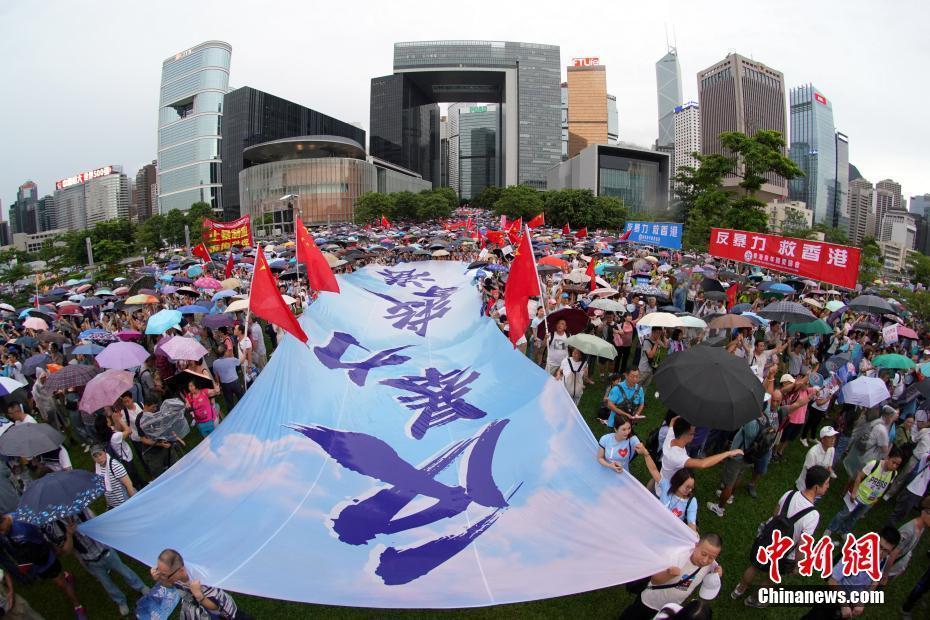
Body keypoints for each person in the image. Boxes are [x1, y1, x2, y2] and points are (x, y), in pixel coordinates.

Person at [732, 466, 831, 608]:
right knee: (772, 577)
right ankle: (754, 600)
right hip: (786, 553)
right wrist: (798, 565)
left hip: (768, 539)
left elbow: (775, 514)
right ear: (816, 487)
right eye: (827, 483)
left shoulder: (790, 494)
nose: (828, 486)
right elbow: (802, 546)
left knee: (754, 566)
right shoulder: (813, 515)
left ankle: (739, 590)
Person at [43, 511, 149, 617]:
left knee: (125, 571)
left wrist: (82, 526)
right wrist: (69, 534)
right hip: (90, 560)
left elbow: (99, 524)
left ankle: (141, 587)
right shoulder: (57, 525)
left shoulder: (81, 510)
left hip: (105, 550)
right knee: (107, 584)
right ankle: (120, 601)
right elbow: (67, 551)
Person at [800, 526, 900, 620]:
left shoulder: (883, 559)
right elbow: (832, 581)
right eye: (879, 546)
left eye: (886, 551)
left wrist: (862, 602)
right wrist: (844, 605)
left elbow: (875, 581)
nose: (880, 553)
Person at [618, 532, 723, 620]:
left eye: (711, 557)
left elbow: (715, 566)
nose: (705, 560)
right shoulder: (677, 557)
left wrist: (718, 571)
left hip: (671, 606)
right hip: (649, 602)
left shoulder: (710, 564)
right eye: (703, 554)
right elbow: (655, 581)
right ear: (696, 546)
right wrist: (669, 574)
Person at [0, 514, 86, 619]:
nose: (2, 533)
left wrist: (55, 549)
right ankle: (66, 575)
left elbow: (44, 539)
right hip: (35, 563)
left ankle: (78, 606)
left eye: (1, 529)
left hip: (46, 559)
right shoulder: (6, 531)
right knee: (59, 578)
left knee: (60, 583)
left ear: (4, 519)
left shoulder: (24, 523)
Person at [824, 446, 903, 540]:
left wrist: (877, 498)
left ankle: (843, 531)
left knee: (854, 518)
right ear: (888, 458)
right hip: (858, 496)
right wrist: (854, 492)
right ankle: (830, 529)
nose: (894, 466)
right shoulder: (874, 464)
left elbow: (885, 486)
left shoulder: (894, 474)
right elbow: (859, 477)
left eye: (897, 465)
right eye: (893, 462)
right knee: (844, 513)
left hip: (869, 501)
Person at [707, 411, 776, 517]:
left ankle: (719, 508)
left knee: (729, 483)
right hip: (750, 457)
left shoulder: (751, 423)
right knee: (739, 476)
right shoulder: (765, 418)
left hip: (738, 456)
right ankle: (730, 496)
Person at [150, 548, 244, 620]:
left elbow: (217, 607)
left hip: (224, 611)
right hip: (199, 608)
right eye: (159, 571)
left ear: (181, 570)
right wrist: (161, 579)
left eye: (164, 575)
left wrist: (199, 596)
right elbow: (170, 584)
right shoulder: (174, 574)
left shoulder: (202, 580)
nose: (162, 576)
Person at [655, 417, 742, 493]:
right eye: (693, 433)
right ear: (684, 435)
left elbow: (672, 422)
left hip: (661, 482)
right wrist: (728, 453)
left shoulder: (671, 436)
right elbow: (702, 464)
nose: (694, 435)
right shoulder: (677, 456)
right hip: (665, 492)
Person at [884, 502, 930, 585]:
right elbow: (892, 553)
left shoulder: (921, 528)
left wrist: (903, 567)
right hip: (887, 570)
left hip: (896, 569)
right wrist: (885, 575)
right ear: (923, 512)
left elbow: (909, 549)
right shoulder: (909, 531)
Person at [91, 444, 136, 509]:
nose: (99, 458)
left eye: (100, 454)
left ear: (105, 452)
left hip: (124, 504)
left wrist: (134, 503)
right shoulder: (97, 468)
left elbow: (129, 485)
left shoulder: (115, 466)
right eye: (95, 456)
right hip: (112, 505)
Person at [795, 426, 838, 491]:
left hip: (819, 486)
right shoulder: (813, 453)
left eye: (834, 437)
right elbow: (810, 474)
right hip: (804, 487)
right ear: (822, 439)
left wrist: (829, 475)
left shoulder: (832, 449)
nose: (833, 439)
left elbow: (829, 466)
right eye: (830, 437)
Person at [213, 344, 244, 411]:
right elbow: (241, 361)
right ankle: (244, 409)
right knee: (242, 398)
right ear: (225, 352)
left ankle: (232, 416)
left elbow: (216, 376)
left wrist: (219, 385)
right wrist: (245, 353)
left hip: (225, 385)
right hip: (235, 383)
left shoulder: (215, 363)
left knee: (229, 402)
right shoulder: (232, 360)